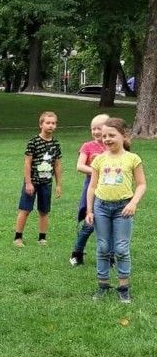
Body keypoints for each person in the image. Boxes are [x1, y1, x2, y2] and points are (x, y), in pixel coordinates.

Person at [85, 118, 146, 303]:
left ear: (123, 135)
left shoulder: (132, 159)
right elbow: (92, 187)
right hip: (101, 207)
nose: (107, 139)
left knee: (121, 249)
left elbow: (142, 184)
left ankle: (123, 287)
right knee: (103, 247)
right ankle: (103, 285)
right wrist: (89, 210)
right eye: (104, 136)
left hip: (123, 209)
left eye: (112, 135)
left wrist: (133, 203)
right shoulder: (99, 160)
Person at [13, 111, 62, 247]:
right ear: (41, 124)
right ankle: (18, 237)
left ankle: (42, 237)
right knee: (25, 209)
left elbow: (57, 164)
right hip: (33, 181)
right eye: (48, 123)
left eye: (53, 123)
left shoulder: (56, 144)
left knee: (44, 210)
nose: (50, 126)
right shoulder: (33, 142)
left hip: (46, 183)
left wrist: (58, 184)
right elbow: (27, 163)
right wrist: (28, 182)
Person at [69, 114, 108, 266]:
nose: (96, 131)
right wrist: (97, 171)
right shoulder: (87, 146)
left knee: (108, 223)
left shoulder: (113, 145)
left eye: (99, 128)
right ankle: (77, 253)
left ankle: (109, 257)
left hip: (109, 190)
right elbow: (80, 166)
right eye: (93, 129)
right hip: (91, 189)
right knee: (89, 223)